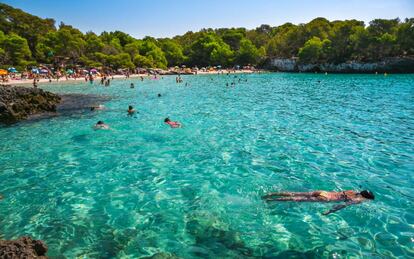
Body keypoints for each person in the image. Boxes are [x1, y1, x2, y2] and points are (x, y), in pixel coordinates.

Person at [262, 190, 375, 215]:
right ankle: (271, 200)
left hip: (323, 192)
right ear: (366, 198)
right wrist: (329, 211)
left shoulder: (353, 191)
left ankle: (270, 194)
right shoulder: (357, 200)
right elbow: (342, 205)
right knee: (296, 199)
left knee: (294, 194)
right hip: (326, 199)